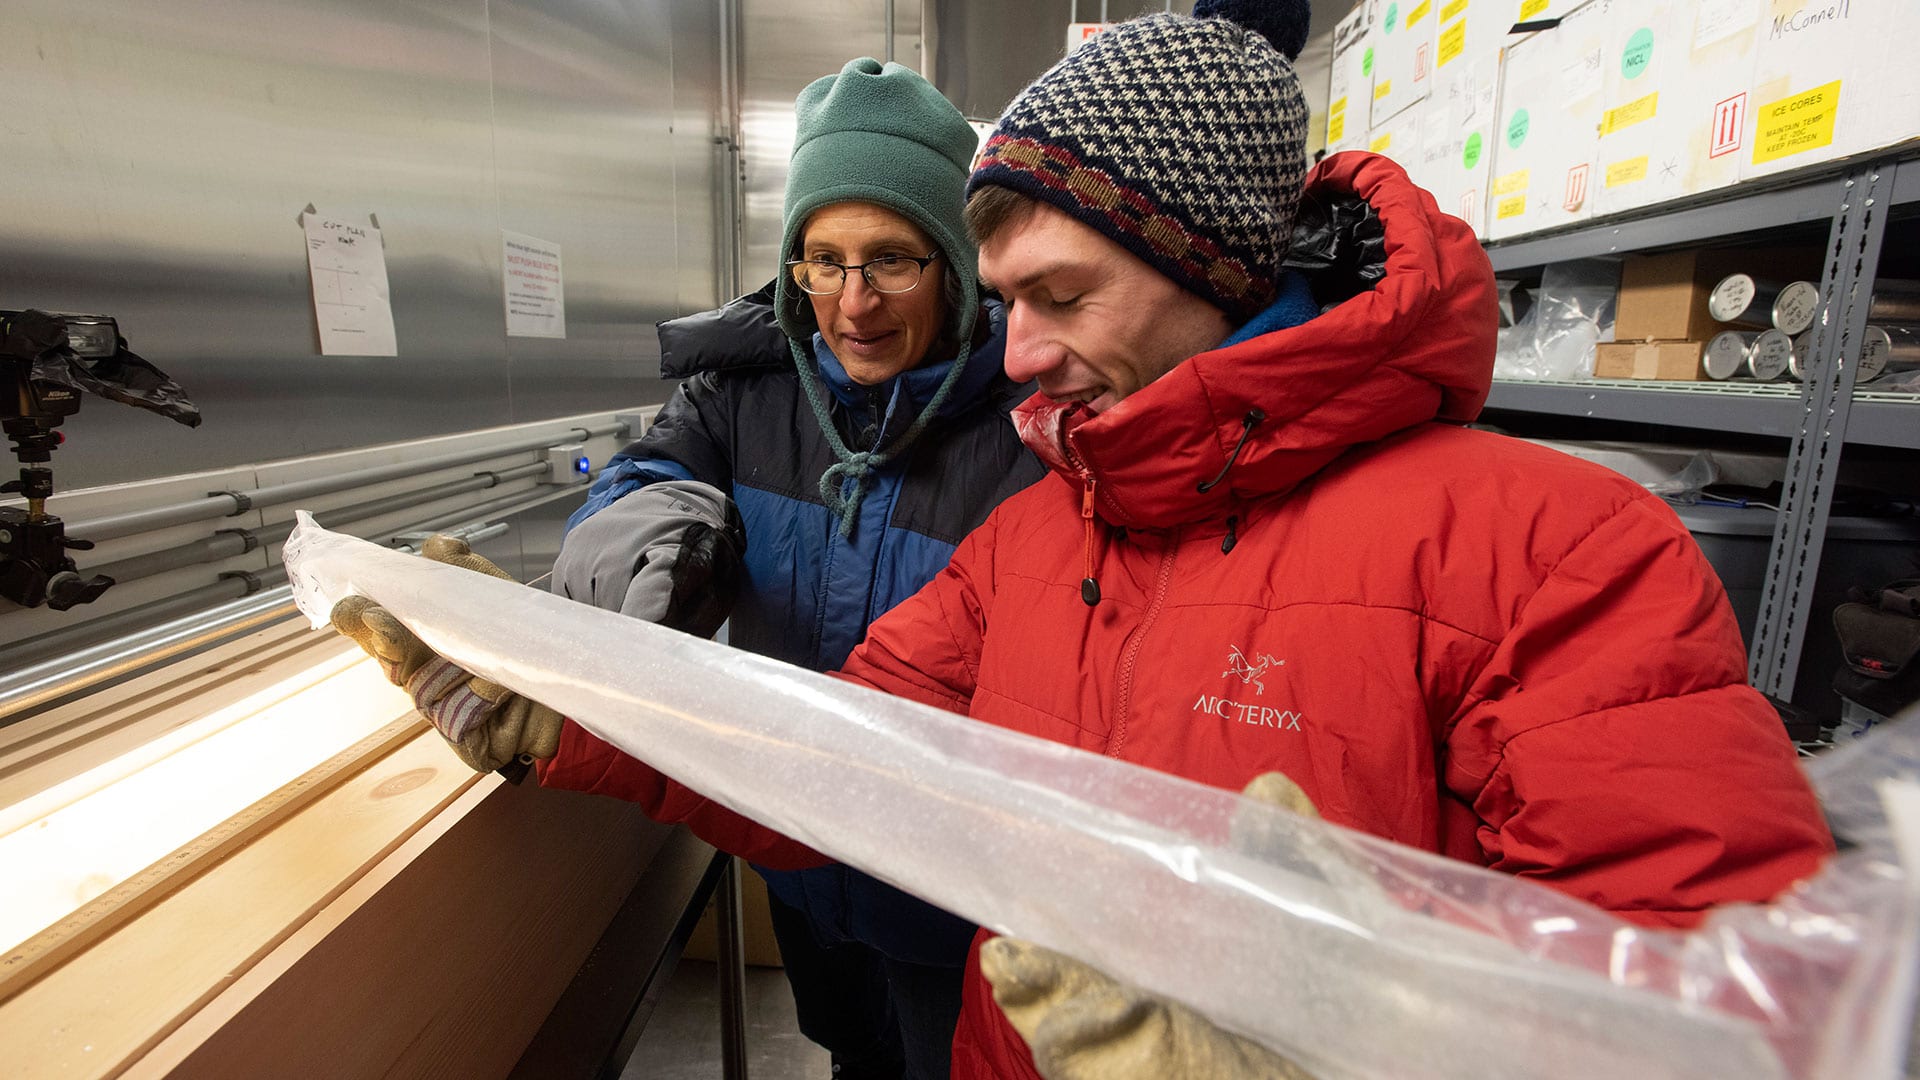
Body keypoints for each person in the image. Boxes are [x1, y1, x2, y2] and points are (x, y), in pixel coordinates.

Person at [337, 4, 1835, 1078]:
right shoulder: (1038, 541)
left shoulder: (1551, 548)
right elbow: (848, 769)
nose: (1019, 355)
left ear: (1211, 264)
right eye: (1011, 305)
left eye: (1059, 298)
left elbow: (1726, 1010)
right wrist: (578, 707)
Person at [333, 57, 1044, 1080]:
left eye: (892, 259)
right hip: (794, 860)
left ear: (954, 261)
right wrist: (642, 538)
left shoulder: (1029, 425)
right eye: (821, 259)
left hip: (953, 902)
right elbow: (647, 475)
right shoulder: (740, 392)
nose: (854, 302)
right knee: (851, 1056)